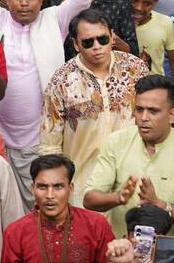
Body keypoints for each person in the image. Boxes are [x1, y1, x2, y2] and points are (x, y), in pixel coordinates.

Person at [83, 74, 174, 238]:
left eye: (153, 111)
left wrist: (160, 204)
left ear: (172, 115)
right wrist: (117, 197)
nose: (143, 118)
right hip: (122, 253)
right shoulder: (116, 142)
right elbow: (89, 200)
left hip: (170, 257)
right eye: (139, 109)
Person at [40, 11, 148, 191]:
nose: (97, 46)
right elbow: (50, 145)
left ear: (113, 36)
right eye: (88, 42)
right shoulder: (61, 81)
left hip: (132, 182)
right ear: (75, 44)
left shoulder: (135, 69)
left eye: (103, 39)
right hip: (84, 187)